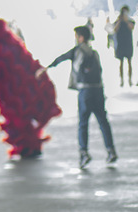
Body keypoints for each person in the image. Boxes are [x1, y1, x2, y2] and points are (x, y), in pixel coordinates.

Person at [37, 25, 117, 169]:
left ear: (80, 37)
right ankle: (111, 150)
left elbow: (60, 58)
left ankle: (84, 153)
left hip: (85, 92)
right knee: (103, 121)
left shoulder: (77, 51)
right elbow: (100, 71)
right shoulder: (94, 53)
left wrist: (45, 68)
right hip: (98, 90)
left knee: (83, 123)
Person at [111, 6, 134, 87]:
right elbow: (115, 30)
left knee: (129, 62)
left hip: (128, 44)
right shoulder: (118, 21)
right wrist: (120, 20)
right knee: (121, 63)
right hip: (121, 44)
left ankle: (130, 79)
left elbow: (131, 27)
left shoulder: (130, 20)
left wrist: (126, 20)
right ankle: (121, 80)